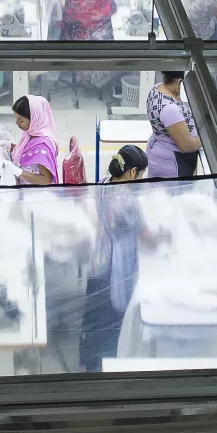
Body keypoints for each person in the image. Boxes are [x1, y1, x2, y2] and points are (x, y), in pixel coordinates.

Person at [81, 146, 148, 371]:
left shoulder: (104, 182)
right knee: (110, 319)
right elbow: (145, 234)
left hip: (97, 258)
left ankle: (88, 359)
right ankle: (101, 367)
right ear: (132, 172)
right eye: (140, 175)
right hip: (112, 268)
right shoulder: (125, 201)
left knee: (93, 314)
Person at [146, 71, 202, 177]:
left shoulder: (157, 87)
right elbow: (186, 146)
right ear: (178, 81)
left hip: (159, 150)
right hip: (172, 164)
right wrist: (207, 140)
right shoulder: (169, 109)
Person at [11, 95, 60, 185]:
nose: (16, 123)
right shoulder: (31, 133)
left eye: (21, 120)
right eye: (16, 118)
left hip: (35, 195)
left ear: (34, 119)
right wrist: (10, 146)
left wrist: (18, 172)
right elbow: (28, 152)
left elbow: (45, 180)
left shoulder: (43, 146)